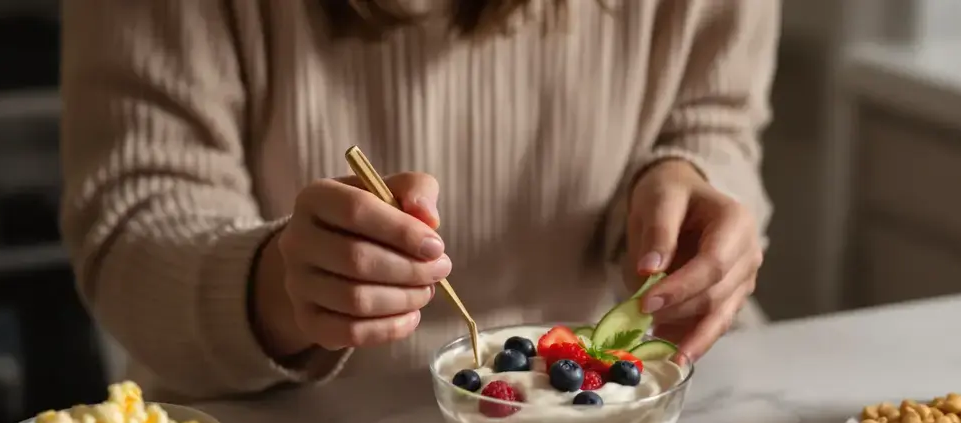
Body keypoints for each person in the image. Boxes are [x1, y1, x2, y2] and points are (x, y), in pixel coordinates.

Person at [59, 0, 779, 401]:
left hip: (658, 408)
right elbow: (132, 223)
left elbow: (714, 116)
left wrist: (688, 191)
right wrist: (282, 287)